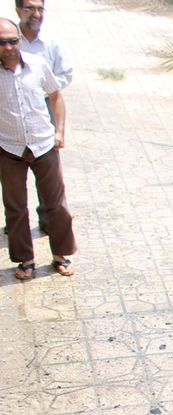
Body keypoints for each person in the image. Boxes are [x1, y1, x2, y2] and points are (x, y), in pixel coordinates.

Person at [0, 17, 75, 279]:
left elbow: (56, 96)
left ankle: (61, 256)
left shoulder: (38, 65)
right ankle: (25, 261)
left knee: (56, 204)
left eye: (12, 41)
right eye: (1, 42)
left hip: (43, 144)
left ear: (19, 40)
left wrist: (60, 132)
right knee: (15, 207)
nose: (8, 47)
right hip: (9, 148)